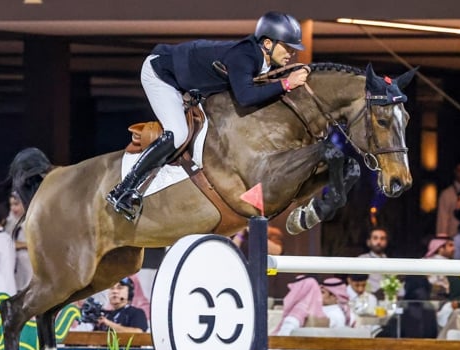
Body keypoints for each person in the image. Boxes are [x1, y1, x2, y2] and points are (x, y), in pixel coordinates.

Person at [106, 11, 309, 221]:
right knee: (178, 133)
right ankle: (123, 189)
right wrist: (286, 84)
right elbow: (246, 97)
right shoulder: (245, 56)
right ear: (267, 43)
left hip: (187, 84)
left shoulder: (265, 61)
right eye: (288, 46)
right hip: (160, 75)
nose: (292, 53)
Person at [5, 193, 32, 292]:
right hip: (15, 272)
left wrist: (22, 245)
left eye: (16, 204)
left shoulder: (33, 221)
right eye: (11, 205)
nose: (13, 208)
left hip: (30, 268)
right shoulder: (9, 224)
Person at [357, 227, 394, 296]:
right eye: (375, 238)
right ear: (368, 242)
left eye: (382, 238)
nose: (379, 242)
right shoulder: (362, 259)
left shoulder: (390, 262)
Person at [436, 163, 460, 237]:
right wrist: (442, 238)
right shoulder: (447, 194)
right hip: (452, 237)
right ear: (455, 172)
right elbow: (443, 218)